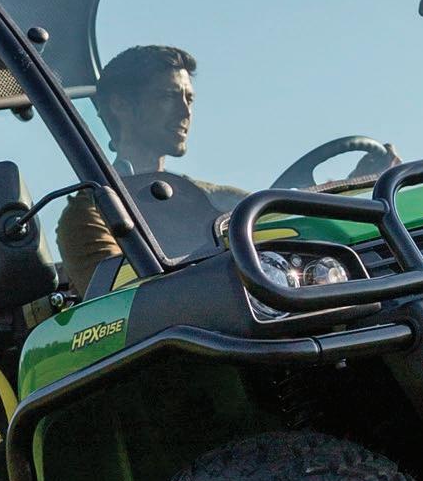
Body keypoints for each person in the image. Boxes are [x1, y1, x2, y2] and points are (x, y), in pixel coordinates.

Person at [57, 44, 396, 296]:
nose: (184, 112)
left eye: (189, 99)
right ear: (121, 106)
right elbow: (118, 305)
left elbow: (287, 221)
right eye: (168, 96)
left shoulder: (210, 195)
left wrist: (355, 185)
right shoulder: (91, 214)